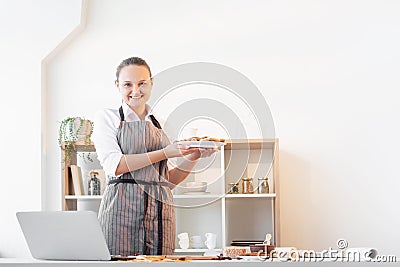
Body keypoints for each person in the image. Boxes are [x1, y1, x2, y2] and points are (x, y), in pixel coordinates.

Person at [92, 57, 216, 256]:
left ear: (151, 83)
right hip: (121, 212)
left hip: (160, 213)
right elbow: (115, 165)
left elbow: (166, 181)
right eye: (127, 85)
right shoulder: (108, 118)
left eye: (142, 83)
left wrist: (194, 156)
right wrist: (166, 153)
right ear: (117, 86)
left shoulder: (163, 124)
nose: (136, 91)